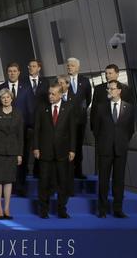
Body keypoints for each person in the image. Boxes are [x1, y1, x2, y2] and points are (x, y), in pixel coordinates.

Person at [32, 82, 77, 219]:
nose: (50, 96)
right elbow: (37, 130)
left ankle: (61, 209)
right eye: (49, 93)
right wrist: (36, 147)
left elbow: (72, 131)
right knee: (44, 181)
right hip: (45, 151)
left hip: (63, 152)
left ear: (61, 94)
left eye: (53, 94)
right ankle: (43, 210)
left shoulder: (69, 108)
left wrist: (72, 150)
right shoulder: (42, 108)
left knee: (63, 182)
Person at [93, 80, 135, 218]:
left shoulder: (129, 108)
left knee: (119, 180)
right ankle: (102, 210)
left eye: (111, 89)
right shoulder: (100, 107)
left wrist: (122, 142)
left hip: (121, 149)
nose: (109, 91)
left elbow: (130, 130)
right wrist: (103, 142)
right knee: (103, 180)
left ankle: (118, 209)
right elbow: (96, 129)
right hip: (105, 149)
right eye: (108, 89)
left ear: (119, 91)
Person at [0, 62, 32, 196]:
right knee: (3, 163)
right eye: (10, 71)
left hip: (20, 131)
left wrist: (29, 127)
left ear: (19, 72)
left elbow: (30, 109)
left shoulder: (26, 88)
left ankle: (20, 187)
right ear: (6, 72)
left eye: (15, 71)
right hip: (2, 134)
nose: (12, 73)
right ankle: (5, 189)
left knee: (21, 160)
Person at [0, 89, 24, 219]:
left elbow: (21, 135)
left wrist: (20, 154)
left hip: (12, 151)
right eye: (3, 98)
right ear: (0, 99)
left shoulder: (18, 113)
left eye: (8, 97)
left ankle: (7, 208)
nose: (6, 99)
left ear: (12, 98)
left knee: (8, 181)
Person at [66, 57, 91, 179]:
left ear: (78, 67)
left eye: (72, 65)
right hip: (66, 120)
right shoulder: (62, 80)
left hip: (80, 120)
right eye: (68, 65)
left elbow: (88, 98)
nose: (69, 67)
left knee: (78, 145)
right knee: (67, 145)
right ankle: (68, 171)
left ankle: (78, 171)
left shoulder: (85, 81)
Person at [23, 59, 49, 178]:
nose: (31, 68)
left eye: (33, 66)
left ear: (39, 68)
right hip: (25, 120)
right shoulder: (22, 82)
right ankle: (24, 171)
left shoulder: (45, 82)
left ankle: (37, 171)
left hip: (41, 120)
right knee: (24, 148)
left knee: (40, 146)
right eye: (29, 66)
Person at [90, 64, 133, 135]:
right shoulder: (98, 89)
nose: (107, 76)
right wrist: (94, 129)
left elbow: (130, 109)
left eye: (110, 73)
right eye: (106, 73)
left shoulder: (126, 89)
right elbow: (94, 109)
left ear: (117, 74)